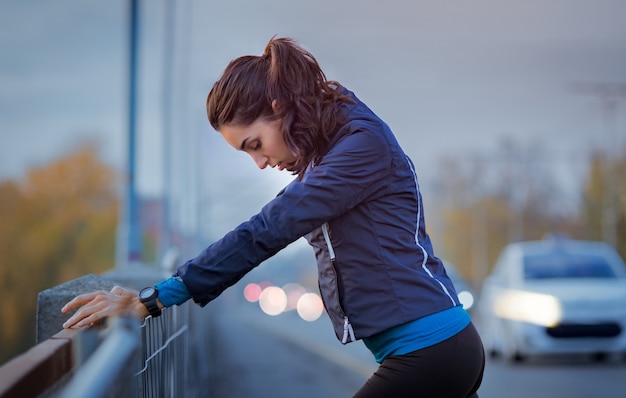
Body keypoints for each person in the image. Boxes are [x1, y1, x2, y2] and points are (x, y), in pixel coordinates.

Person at [62, 36, 485, 397]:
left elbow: (267, 229)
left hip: (432, 352)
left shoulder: (359, 147)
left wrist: (154, 298)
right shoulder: (330, 148)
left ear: (280, 107)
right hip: (431, 351)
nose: (260, 163)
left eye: (255, 144)